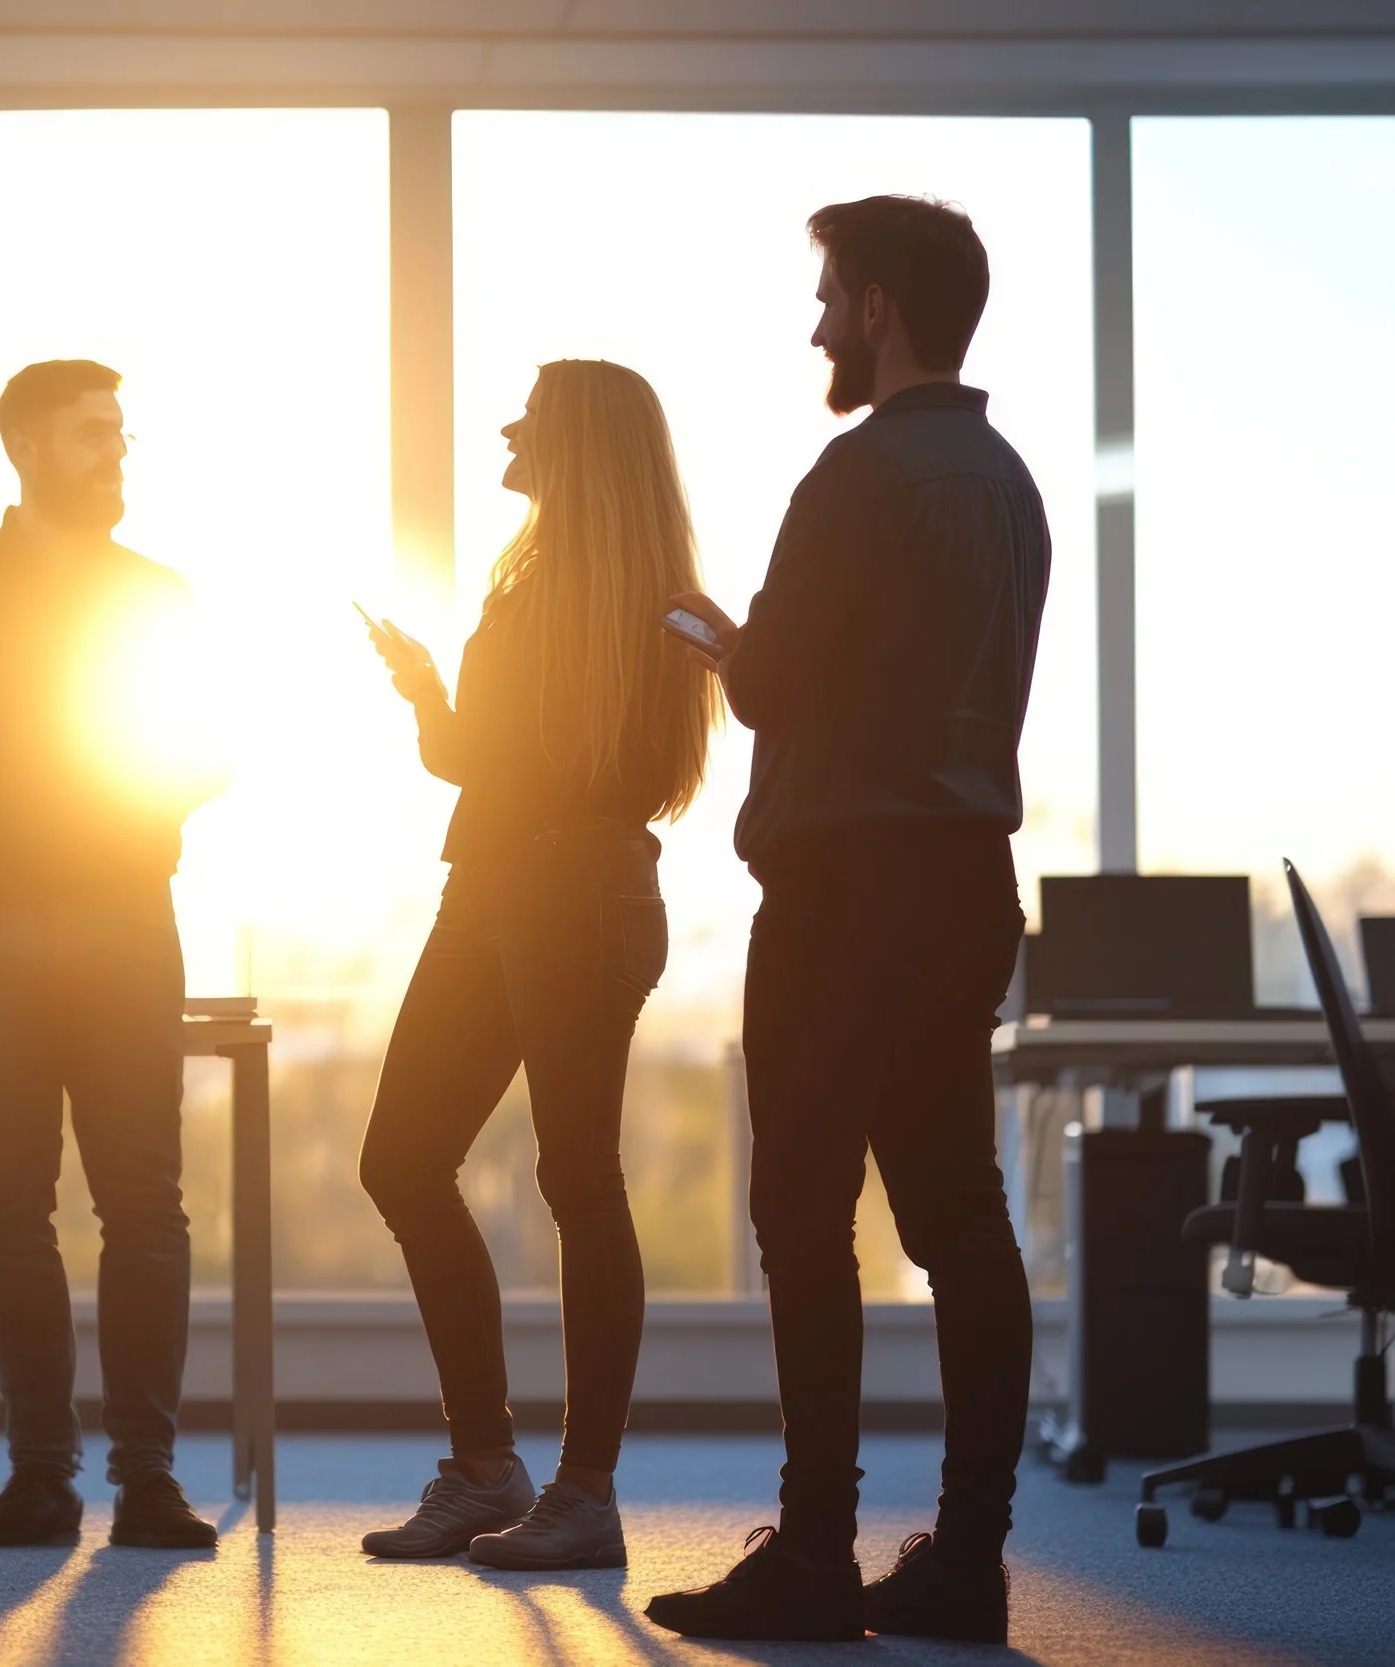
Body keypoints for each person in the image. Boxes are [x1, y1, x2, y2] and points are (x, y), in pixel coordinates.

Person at [643, 196, 1048, 1646]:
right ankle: (967, 1559)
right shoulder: (1008, 482)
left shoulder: (857, 474)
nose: (818, 322)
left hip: (843, 894)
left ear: (880, 306)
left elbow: (775, 691)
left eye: (830, 296)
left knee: (803, 1213)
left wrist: (707, 631)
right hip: (965, 887)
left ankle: (815, 1559)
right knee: (957, 1218)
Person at [356, 360, 717, 1569]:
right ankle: (486, 1465)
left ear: (577, 444)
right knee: (402, 1158)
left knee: (578, 1176)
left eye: (531, 415)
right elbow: (483, 757)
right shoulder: (542, 583)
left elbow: (594, 771)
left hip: (574, 891)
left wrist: (455, 718)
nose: (506, 428)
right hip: (496, 887)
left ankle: (583, 1488)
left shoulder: (640, 598)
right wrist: (423, 694)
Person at [0, 359, 229, 1550]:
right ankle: (42, 1478)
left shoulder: (159, 594)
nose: (115, 453)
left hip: (131, 917)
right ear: (25, 443)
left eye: (121, 434)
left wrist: (141, 813)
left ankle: (148, 1480)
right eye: (92, 434)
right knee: (10, 1205)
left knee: (143, 1207)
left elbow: (209, 743)